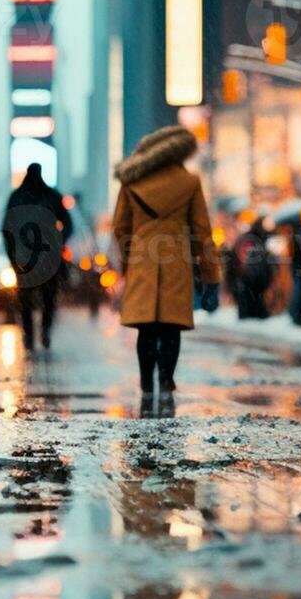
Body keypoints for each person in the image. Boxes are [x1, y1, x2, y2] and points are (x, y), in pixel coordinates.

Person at [111, 126, 222, 398]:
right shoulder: (189, 183)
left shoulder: (131, 182)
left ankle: (147, 381)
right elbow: (201, 233)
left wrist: (127, 262)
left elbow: (119, 227)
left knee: (146, 328)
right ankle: (167, 380)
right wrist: (210, 275)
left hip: (142, 259)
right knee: (171, 327)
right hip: (176, 261)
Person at [1, 162, 74, 350]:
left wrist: (13, 254)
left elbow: (6, 228)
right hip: (48, 257)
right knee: (48, 298)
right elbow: (68, 224)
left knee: (25, 300)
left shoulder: (17, 196)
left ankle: (29, 336)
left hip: (25, 259)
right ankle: (45, 331)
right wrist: (58, 242)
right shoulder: (51, 196)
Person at [229, 219, 276, 319]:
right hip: (251, 279)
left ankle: (250, 316)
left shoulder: (250, 239)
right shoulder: (253, 241)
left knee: (251, 301)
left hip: (249, 279)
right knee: (253, 301)